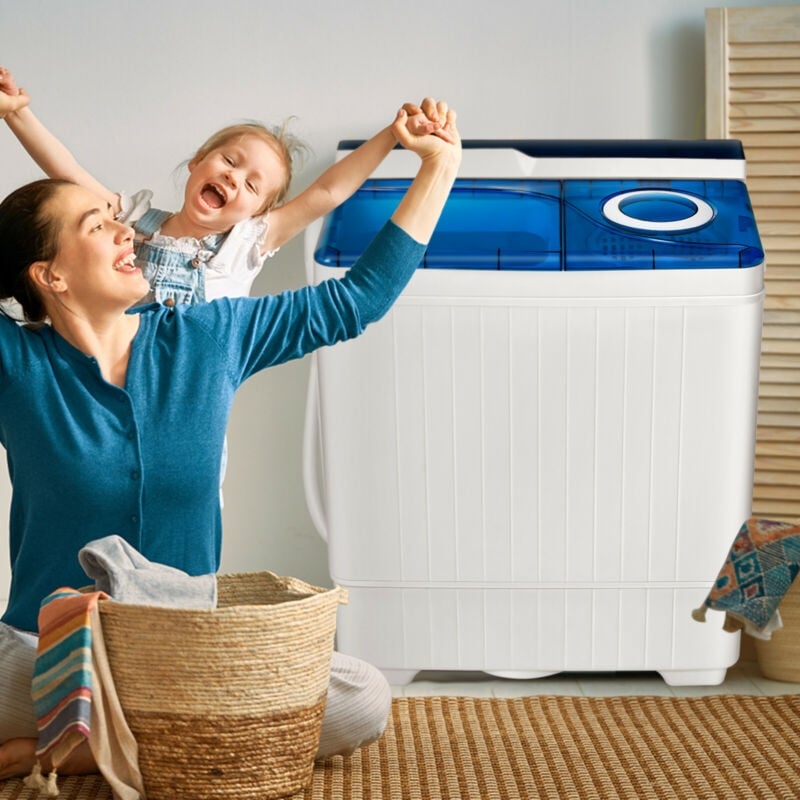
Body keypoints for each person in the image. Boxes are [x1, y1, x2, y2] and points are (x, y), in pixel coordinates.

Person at [0, 95, 461, 779]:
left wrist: (438, 170)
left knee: (362, 696)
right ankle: (153, 742)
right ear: (50, 275)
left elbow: (356, 300)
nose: (127, 233)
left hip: (189, 657)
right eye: (98, 226)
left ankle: (75, 749)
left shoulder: (211, 336)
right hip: (46, 650)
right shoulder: (17, 360)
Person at [0, 66, 454, 306]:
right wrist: (17, 113)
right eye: (229, 161)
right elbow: (70, 174)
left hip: (194, 398)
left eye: (253, 186)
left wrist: (392, 135)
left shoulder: (248, 243)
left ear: (257, 214)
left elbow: (327, 193)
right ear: (197, 161)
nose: (234, 178)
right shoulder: (134, 224)